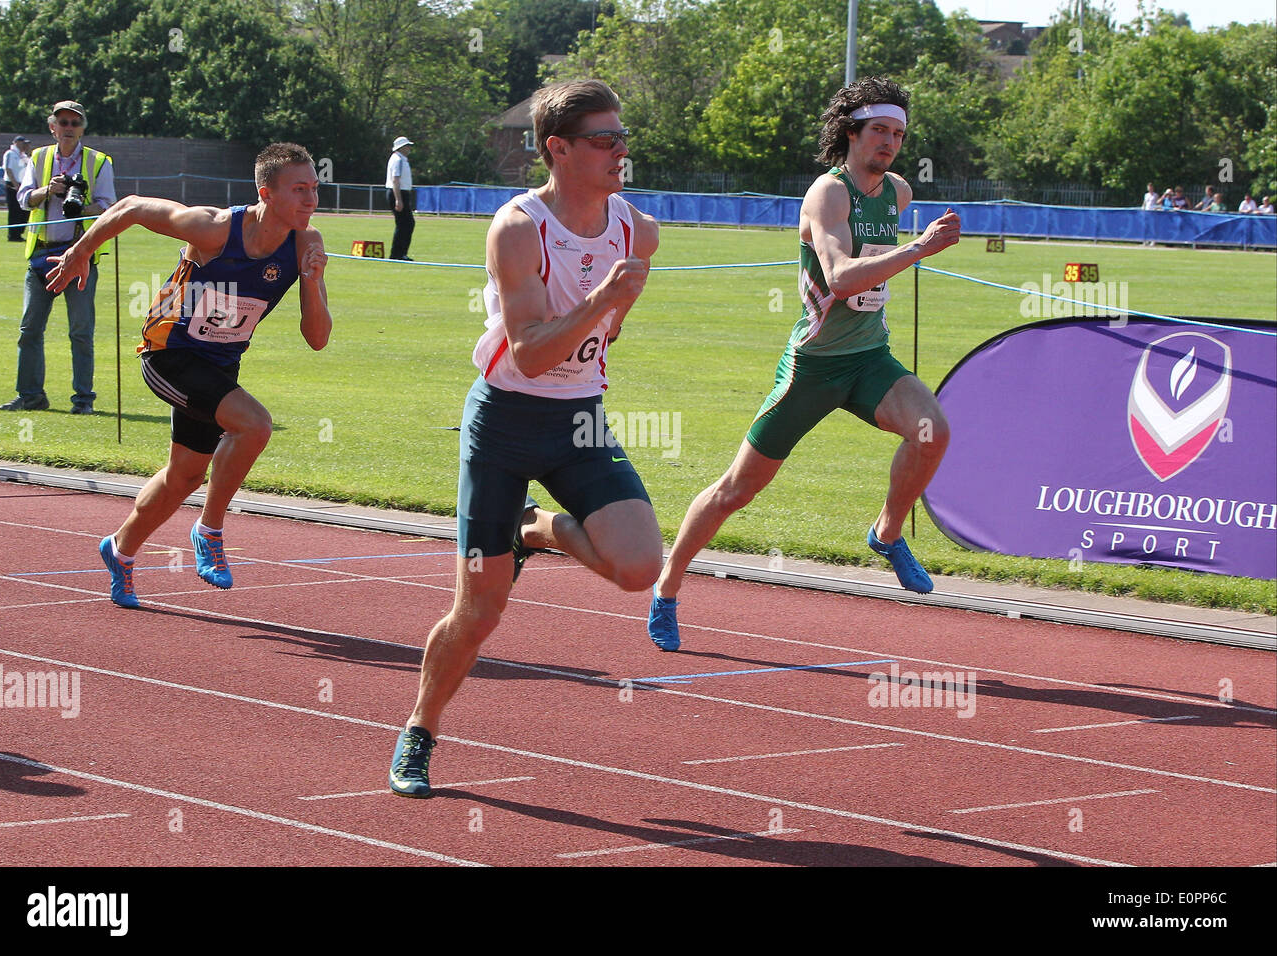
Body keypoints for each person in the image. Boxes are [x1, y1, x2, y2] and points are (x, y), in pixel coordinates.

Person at [388, 79, 661, 798]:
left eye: (622, 137)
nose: (620, 151)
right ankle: (420, 730)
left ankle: (537, 532)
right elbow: (532, 351)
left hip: (579, 418)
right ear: (558, 150)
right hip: (505, 421)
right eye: (604, 141)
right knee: (478, 613)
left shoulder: (638, 229)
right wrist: (602, 298)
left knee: (638, 568)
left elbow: (607, 336)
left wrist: (604, 320)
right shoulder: (518, 227)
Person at [645, 76, 961, 653]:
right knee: (736, 490)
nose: (890, 142)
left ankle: (887, 534)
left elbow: (875, 262)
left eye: (898, 133)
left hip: (868, 357)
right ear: (851, 132)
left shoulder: (899, 192)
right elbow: (840, 279)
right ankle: (667, 587)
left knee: (932, 431)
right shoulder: (828, 194)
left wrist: (913, 245)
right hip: (813, 365)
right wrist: (918, 250)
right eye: (879, 131)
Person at [43, 143, 332, 609]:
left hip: (217, 364)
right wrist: (80, 252)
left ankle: (119, 549)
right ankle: (209, 530)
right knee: (254, 425)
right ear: (266, 193)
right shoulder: (216, 229)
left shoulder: (306, 243)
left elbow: (317, 339)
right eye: (299, 190)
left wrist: (313, 283)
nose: (310, 200)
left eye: (314, 189)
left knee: (184, 476)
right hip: (169, 353)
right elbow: (132, 207)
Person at [0, 101, 115, 414]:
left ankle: (83, 400)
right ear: (52, 127)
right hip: (40, 258)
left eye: (75, 123)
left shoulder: (99, 161)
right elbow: (24, 199)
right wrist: (48, 191)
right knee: (30, 330)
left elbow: (108, 207)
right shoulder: (38, 157)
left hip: (78, 256)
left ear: (82, 128)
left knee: (80, 331)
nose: (68, 128)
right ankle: (31, 396)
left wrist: (81, 205)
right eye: (63, 122)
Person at [385, 135, 415, 260]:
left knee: (406, 224)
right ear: (401, 147)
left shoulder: (402, 159)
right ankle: (397, 254)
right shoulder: (397, 159)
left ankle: (400, 253)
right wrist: (398, 199)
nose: (409, 148)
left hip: (401, 193)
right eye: (407, 146)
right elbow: (395, 180)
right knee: (405, 223)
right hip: (398, 193)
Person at [2, 135, 31, 242]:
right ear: (16, 142)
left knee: (23, 211)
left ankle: (19, 232)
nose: (24, 145)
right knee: (14, 211)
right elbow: (8, 169)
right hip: (13, 185)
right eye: (23, 143)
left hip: (21, 185)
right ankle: (13, 235)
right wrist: (15, 185)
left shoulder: (22, 155)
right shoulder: (10, 153)